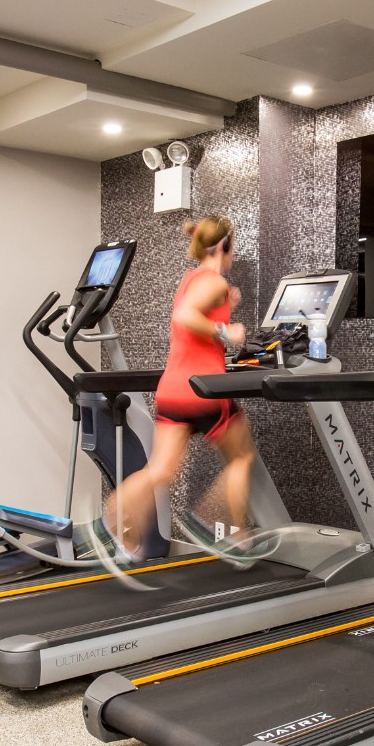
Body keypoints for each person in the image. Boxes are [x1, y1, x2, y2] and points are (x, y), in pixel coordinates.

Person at [93, 215, 260, 566]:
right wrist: (227, 331)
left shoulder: (192, 278)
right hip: (205, 390)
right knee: (241, 457)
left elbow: (191, 315)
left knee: (160, 470)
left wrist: (225, 305)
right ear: (224, 246)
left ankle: (116, 512)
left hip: (173, 389)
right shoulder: (213, 280)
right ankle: (234, 534)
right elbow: (186, 316)